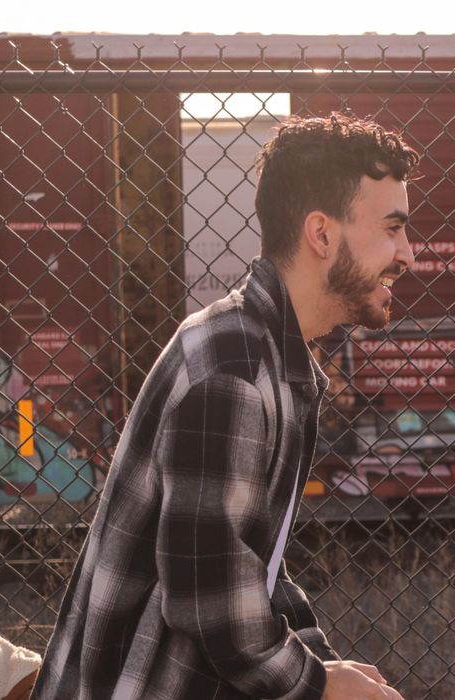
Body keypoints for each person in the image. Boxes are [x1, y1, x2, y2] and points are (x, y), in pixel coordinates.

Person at [32, 114, 417, 700]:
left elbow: (252, 566)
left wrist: (325, 665)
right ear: (322, 235)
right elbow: (210, 596)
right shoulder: (234, 370)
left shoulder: (273, 357)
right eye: (393, 229)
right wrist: (317, 685)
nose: (407, 254)